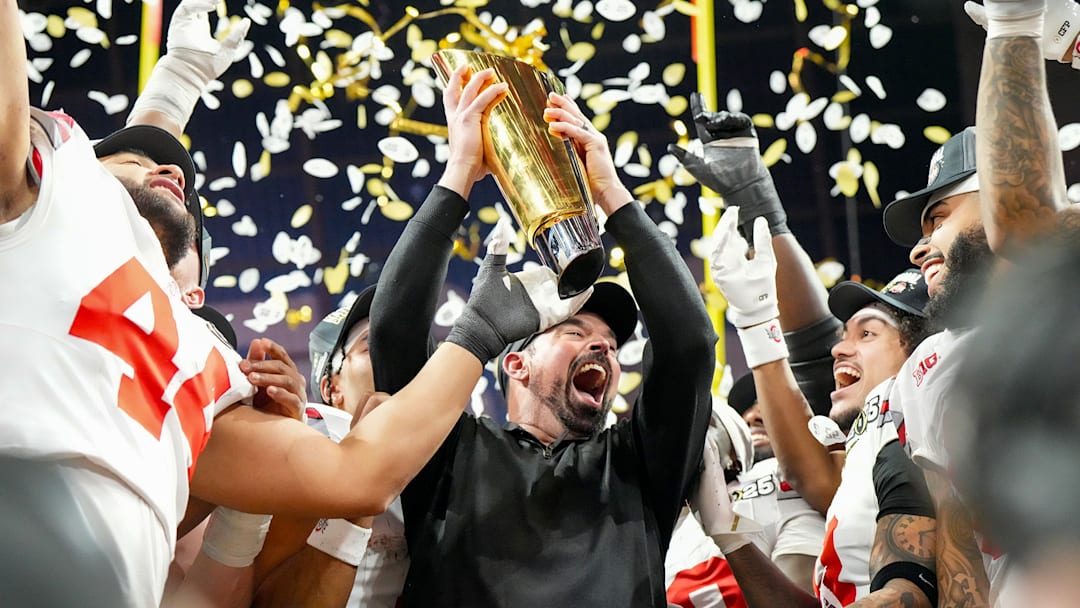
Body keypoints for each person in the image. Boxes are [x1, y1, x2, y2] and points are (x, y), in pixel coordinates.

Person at [367, 64, 717, 606]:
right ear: (515, 363)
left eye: (612, 344)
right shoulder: (451, 451)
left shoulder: (638, 465)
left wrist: (611, 193)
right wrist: (460, 170)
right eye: (574, 330)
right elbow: (393, 330)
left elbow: (690, 343)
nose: (603, 346)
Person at [251, 285, 411, 608]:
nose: (394, 354)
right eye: (372, 344)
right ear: (331, 389)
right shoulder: (308, 437)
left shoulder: (441, 449)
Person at [665, 375, 827, 605]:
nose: (753, 416)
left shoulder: (781, 481)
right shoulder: (655, 523)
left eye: (705, 424)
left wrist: (729, 537)